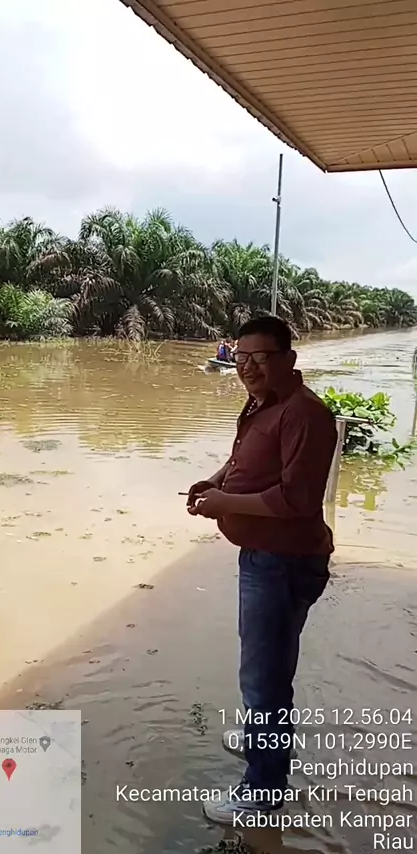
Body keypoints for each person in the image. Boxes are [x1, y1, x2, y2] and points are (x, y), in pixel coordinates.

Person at [187, 315, 337, 825]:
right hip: (264, 556)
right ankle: (261, 738)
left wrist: (226, 502)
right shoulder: (262, 403)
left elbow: (297, 500)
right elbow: (244, 461)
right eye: (241, 357)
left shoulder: (305, 414)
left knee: (264, 678)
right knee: (264, 670)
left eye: (260, 357)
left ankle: (263, 793)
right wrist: (214, 482)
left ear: (288, 359)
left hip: (283, 561)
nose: (247, 367)